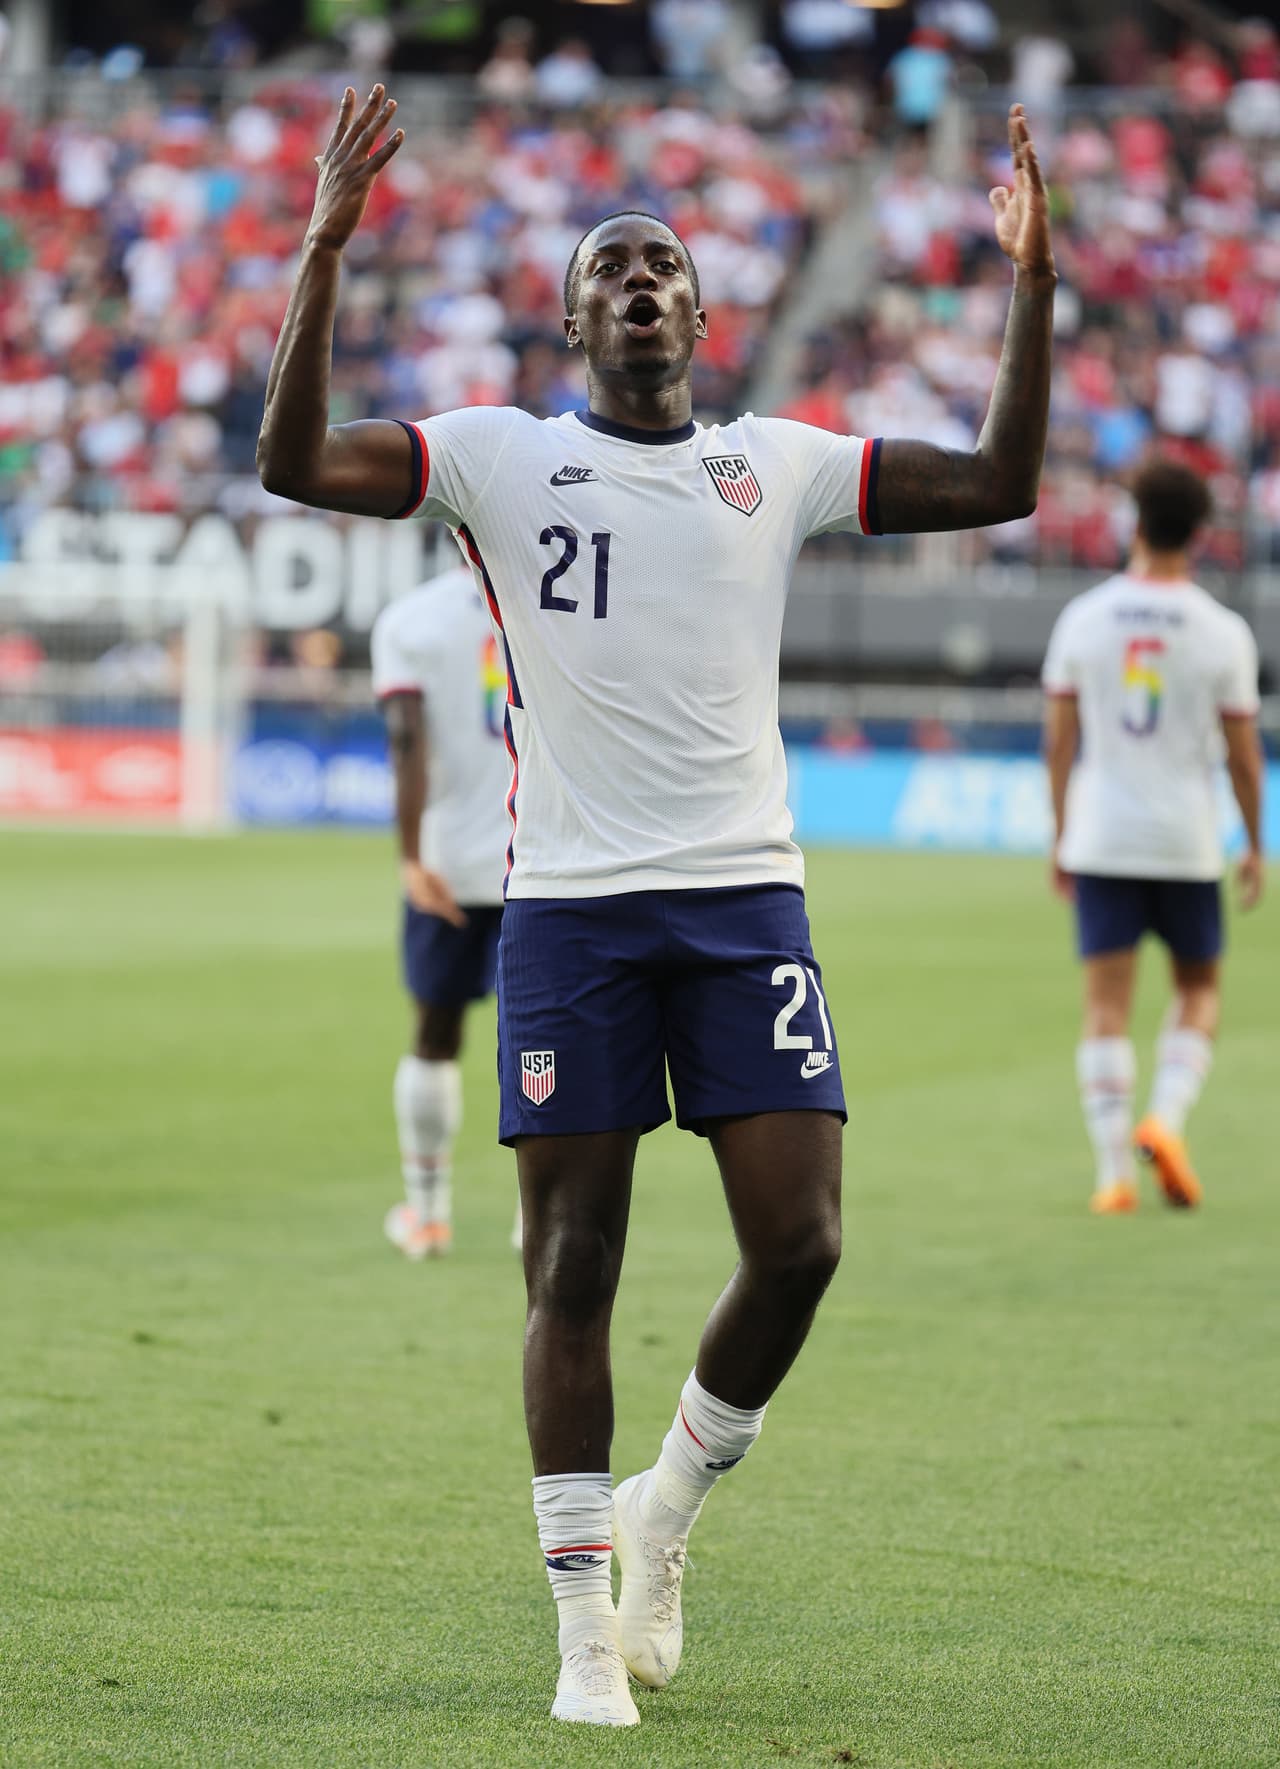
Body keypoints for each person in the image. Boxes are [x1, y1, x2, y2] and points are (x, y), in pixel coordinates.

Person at [257, 84, 1055, 1727]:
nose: (638, 281)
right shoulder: (497, 455)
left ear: (703, 311)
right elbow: (291, 460)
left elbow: (1000, 480)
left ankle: (665, 1511)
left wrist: (1035, 286)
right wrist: (322, 251)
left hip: (747, 900)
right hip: (569, 910)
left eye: (664, 265)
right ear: (567, 316)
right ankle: (577, 1632)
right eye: (609, 266)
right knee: (573, 1262)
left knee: (805, 1239)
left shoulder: (781, 464)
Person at [1042, 459, 1265, 1216]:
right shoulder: (1222, 631)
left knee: (1105, 1005)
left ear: (1134, 521)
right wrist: (1256, 843)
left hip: (1104, 833)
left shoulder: (1084, 618)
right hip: (1185, 839)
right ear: (1200, 535)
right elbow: (1241, 755)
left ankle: (1114, 1174)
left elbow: (1059, 744)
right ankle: (1163, 1121)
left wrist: (1061, 834)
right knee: (1198, 989)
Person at [371, 566, 514, 1258]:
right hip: (548, 855)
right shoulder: (556, 593)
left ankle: (427, 1217)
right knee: (552, 1042)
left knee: (435, 1032)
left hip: (447, 863)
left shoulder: (410, 620)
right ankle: (539, 1215)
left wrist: (409, 855)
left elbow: (406, 740)